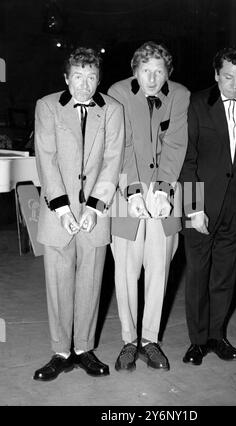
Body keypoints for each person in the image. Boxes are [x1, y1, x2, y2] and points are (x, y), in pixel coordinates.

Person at [33, 47, 124, 381]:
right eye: (78, 77)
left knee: (91, 282)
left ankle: (84, 349)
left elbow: (113, 159)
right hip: (59, 213)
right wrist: (62, 209)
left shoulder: (112, 109)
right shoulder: (47, 107)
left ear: (99, 79)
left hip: (94, 214)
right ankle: (60, 351)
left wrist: (95, 206)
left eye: (92, 77)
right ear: (66, 78)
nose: (85, 85)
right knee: (58, 283)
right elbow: (46, 157)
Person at [180, 47, 236, 365]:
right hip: (199, 207)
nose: (235, 85)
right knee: (197, 274)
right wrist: (193, 207)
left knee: (224, 273)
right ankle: (196, 342)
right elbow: (187, 160)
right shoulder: (195, 104)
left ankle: (217, 336)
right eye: (229, 77)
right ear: (216, 74)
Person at [108, 41, 190, 372]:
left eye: (159, 71)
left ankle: (150, 340)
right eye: (146, 71)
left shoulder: (180, 95)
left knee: (159, 267)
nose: (152, 79)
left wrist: (163, 191)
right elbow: (119, 144)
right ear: (135, 70)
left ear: (168, 72)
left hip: (164, 194)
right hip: (126, 190)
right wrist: (132, 191)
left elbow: (176, 143)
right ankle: (129, 341)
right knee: (126, 270)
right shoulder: (117, 92)